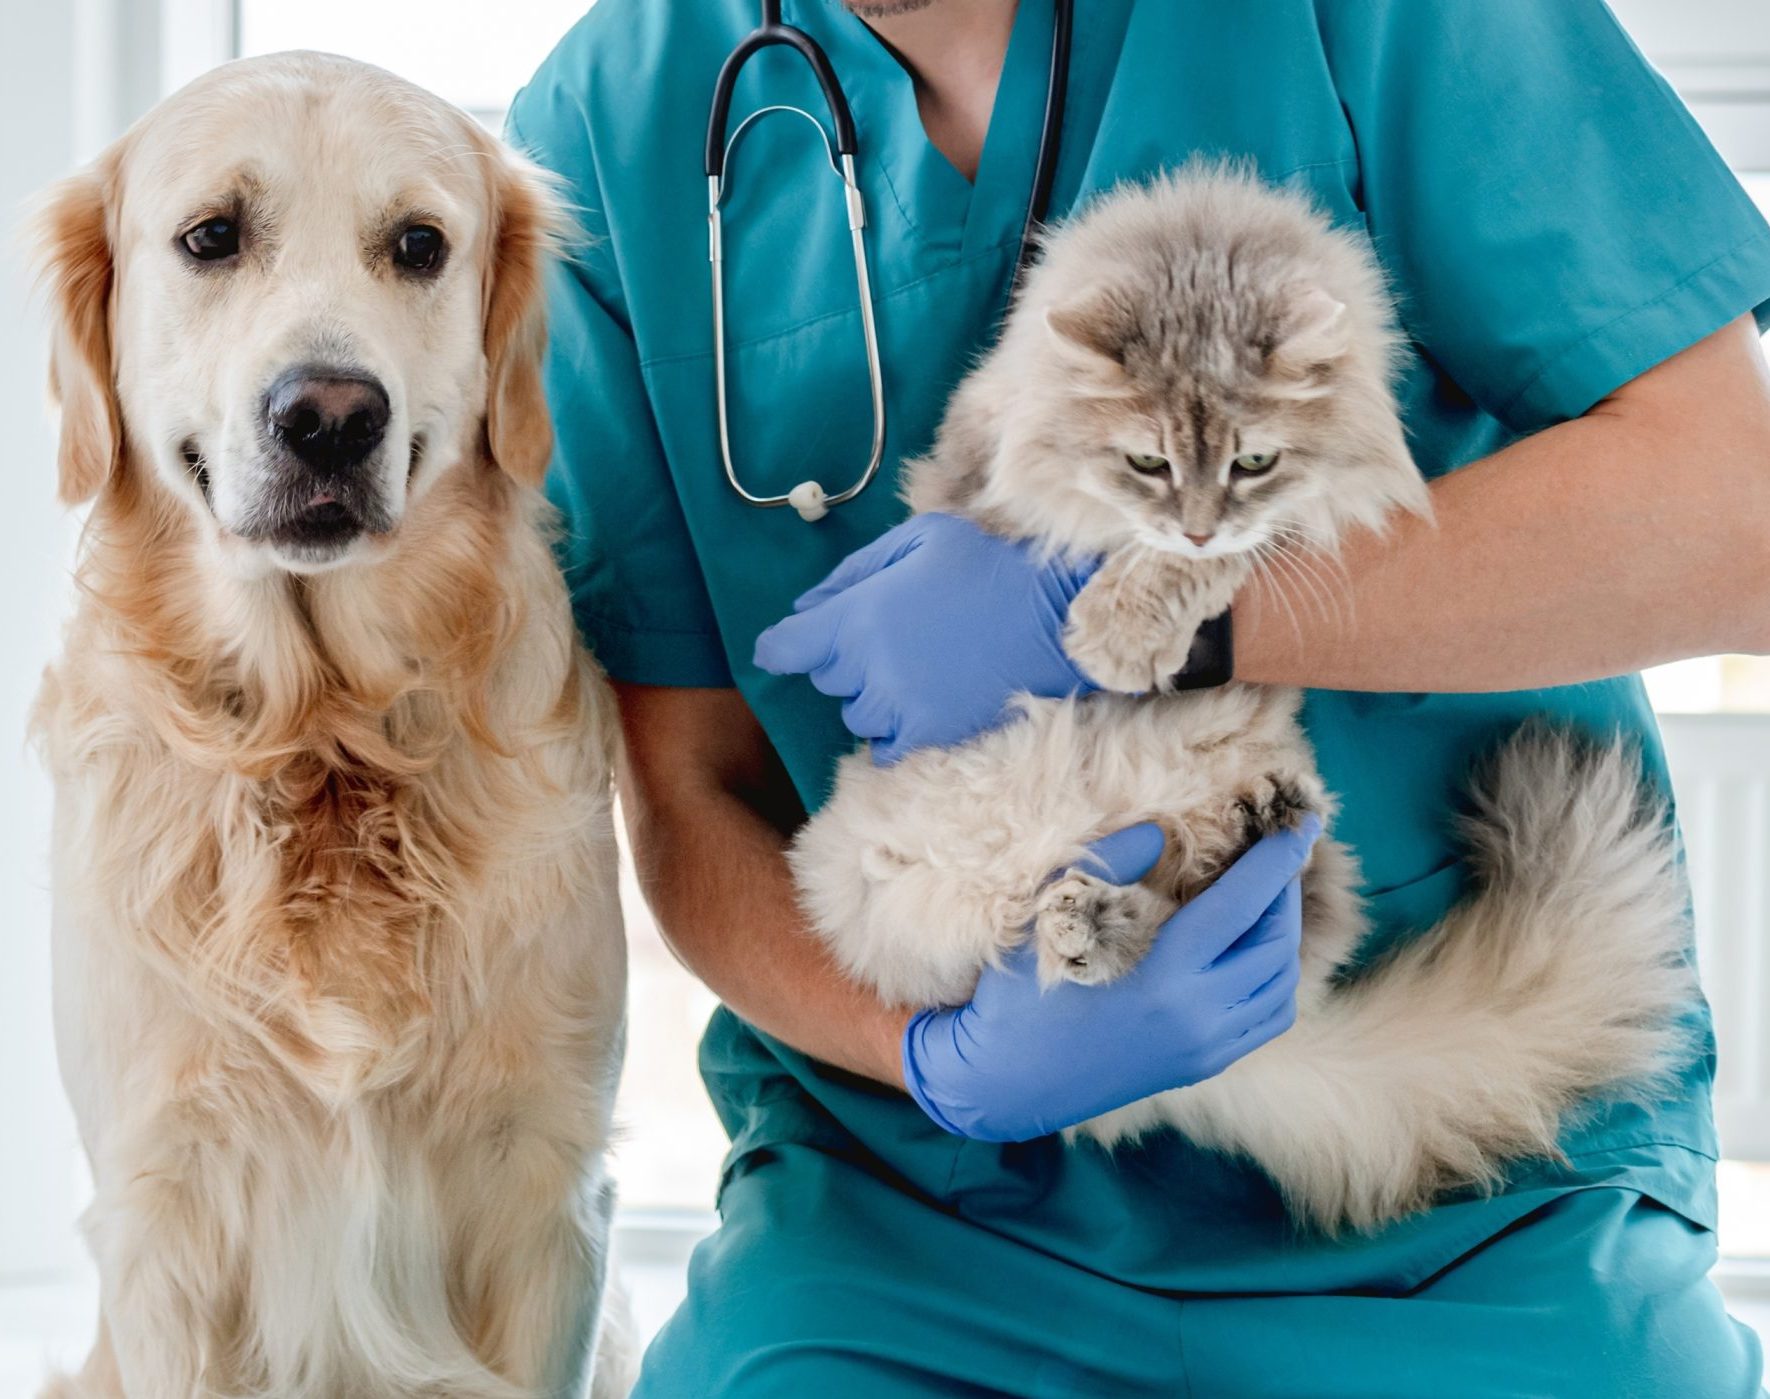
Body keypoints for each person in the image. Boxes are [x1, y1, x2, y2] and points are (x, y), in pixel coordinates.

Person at [507, 2, 1770, 1393]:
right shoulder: (615, 119)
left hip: (1469, 1200)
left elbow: (1731, 522)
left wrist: (1175, 617)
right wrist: (936, 1060)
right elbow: (692, 801)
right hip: (912, 1209)